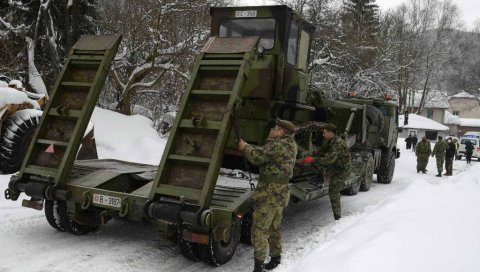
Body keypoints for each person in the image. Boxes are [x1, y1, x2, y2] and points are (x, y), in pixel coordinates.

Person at [238, 118, 297, 272]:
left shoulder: (277, 145)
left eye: (276, 129)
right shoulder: (291, 145)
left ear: (282, 131)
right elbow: (266, 152)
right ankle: (276, 257)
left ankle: (258, 267)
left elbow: (258, 156)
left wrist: (245, 147)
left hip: (269, 195)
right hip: (281, 194)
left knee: (259, 230)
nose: (273, 131)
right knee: (274, 227)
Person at [300, 124, 351, 221]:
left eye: (324, 132)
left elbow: (329, 159)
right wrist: (307, 156)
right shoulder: (330, 141)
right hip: (334, 166)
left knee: (333, 191)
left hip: (341, 170)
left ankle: (338, 217)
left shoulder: (338, 144)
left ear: (330, 133)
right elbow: (321, 151)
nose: (323, 134)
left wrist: (312, 159)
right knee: (317, 162)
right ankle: (319, 177)